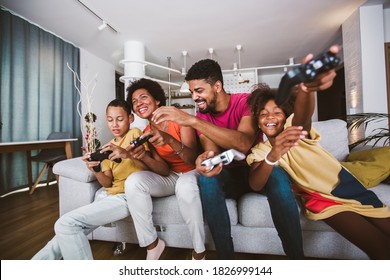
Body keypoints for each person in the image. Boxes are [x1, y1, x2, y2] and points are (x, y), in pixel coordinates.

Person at [151, 53, 336, 259]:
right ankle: (226, 261)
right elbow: (210, 149)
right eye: (192, 91)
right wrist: (206, 161)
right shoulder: (203, 115)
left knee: (277, 175)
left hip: (254, 169)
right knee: (207, 179)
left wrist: (192, 121)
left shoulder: (245, 102)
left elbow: (244, 143)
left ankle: (296, 259)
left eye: (199, 90)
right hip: (228, 176)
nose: (194, 96)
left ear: (218, 87)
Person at [246, 50, 390, 260]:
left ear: (285, 116)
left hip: (349, 186)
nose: (270, 118)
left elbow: (303, 115)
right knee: (380, 250)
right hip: (323, 201)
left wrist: (307, 89)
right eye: (263, 114)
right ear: (258, 121)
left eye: (277, 112)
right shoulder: (262, 151)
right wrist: (273, 155)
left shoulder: (294, 130)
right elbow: (255, 184)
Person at [32, 99, 169, 259]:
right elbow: (107, 183)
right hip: (110, 196)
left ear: (130, 119)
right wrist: (95, 169)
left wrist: (126, 153)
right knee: (65, 230)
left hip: (128, 196)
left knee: (66, 224)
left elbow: (148, 168)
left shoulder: (135, 134)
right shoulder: (107, 147)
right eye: (110, 120)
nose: (115, 125)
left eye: (120, 119)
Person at [122, 78, 206, 260]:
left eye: (143, 97)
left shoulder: (180, 119)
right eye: (134, 102)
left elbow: (192, 158)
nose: (139, 104)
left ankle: (199, 253)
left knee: (184, 185)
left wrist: (168, 139)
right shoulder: (147, 132)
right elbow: (163, 170)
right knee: (133, 182)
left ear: (157, 100)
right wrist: (143, 156)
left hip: (193, 170)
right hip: (173, 175)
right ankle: (152, 245)